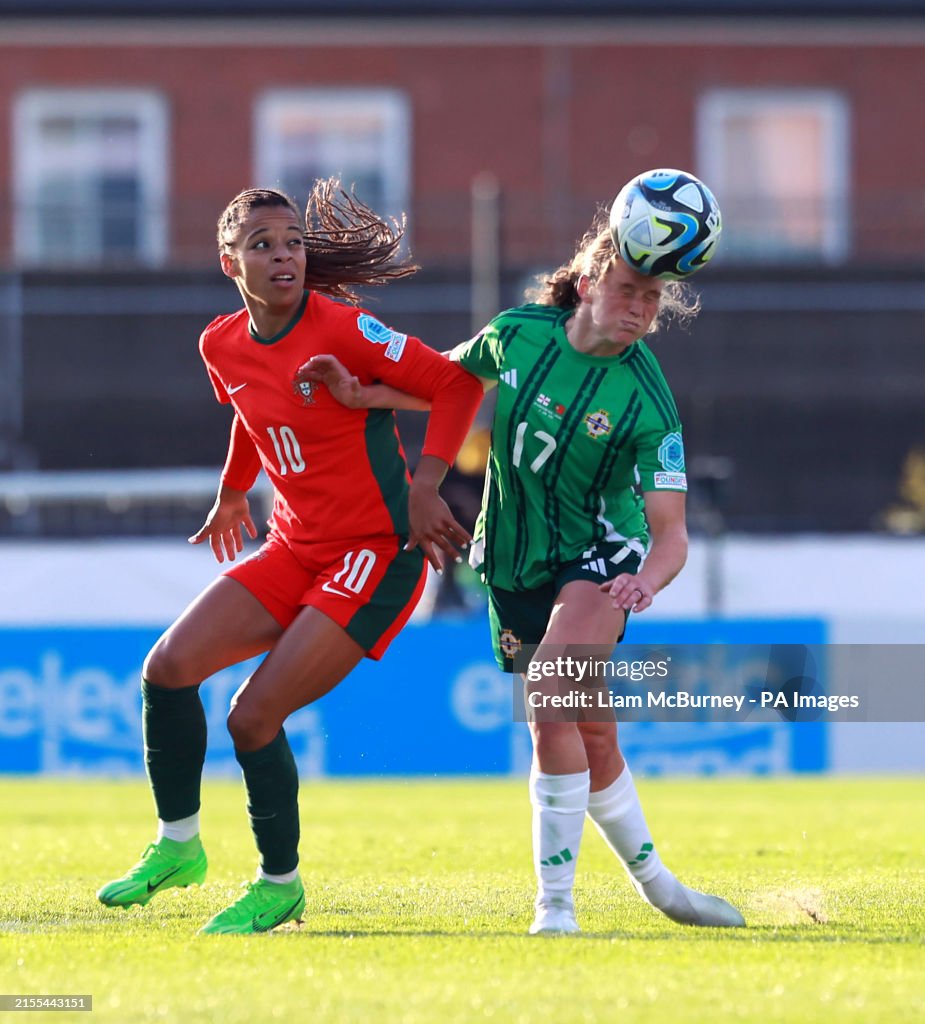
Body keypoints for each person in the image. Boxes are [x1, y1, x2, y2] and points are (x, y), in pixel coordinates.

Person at [301, 209, 745, 935]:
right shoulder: (516, 335)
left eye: (653, 299)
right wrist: (364, 394)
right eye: (630, 289)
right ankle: (662, 889)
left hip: (600, 560)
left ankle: (556, 908)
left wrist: (645, 581)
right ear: (594, 277)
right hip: (510, 561)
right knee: (589, 731)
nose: (639, 309)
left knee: (547, 694)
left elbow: (670, 536)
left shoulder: (648, 402)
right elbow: (447, 386)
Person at [95, 180, 484, 935]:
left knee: (250, 717)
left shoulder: (345, 329)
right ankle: (178, 846)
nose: (283, 256)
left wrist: (427, 486)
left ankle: (281, 886)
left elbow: (456, 384)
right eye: (263, 245)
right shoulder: (220, 343)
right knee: (167, 669)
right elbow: (253, 406)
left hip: (374, 551)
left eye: (293, 242)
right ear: (227, 262)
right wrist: (234, 492)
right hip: (294, 543)